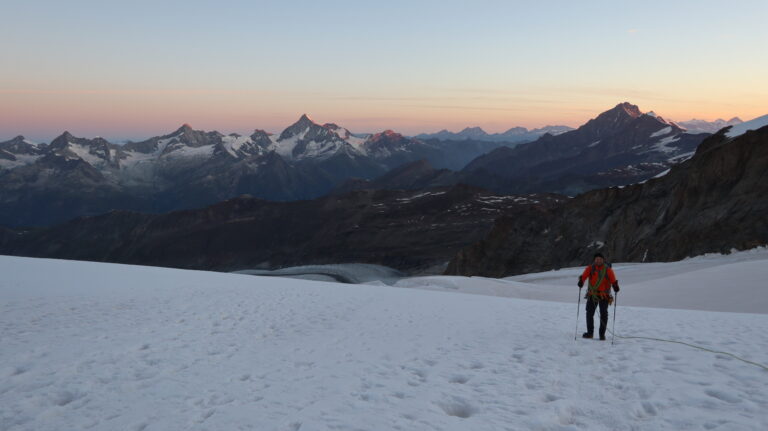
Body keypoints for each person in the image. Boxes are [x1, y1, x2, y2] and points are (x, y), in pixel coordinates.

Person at [577, 253, 619, 340]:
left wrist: (615, 286)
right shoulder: (590, 268)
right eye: (597, 259)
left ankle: (601, 334)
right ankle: (590, 333)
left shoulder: (608, 270)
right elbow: (584, 276)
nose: (598, 260)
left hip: (604, 295)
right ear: (594, 260)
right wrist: (581, 281)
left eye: (600, 259)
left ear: (603, 260)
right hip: (592, 294)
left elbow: (613, 280)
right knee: (590, 313)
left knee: (603, 314)